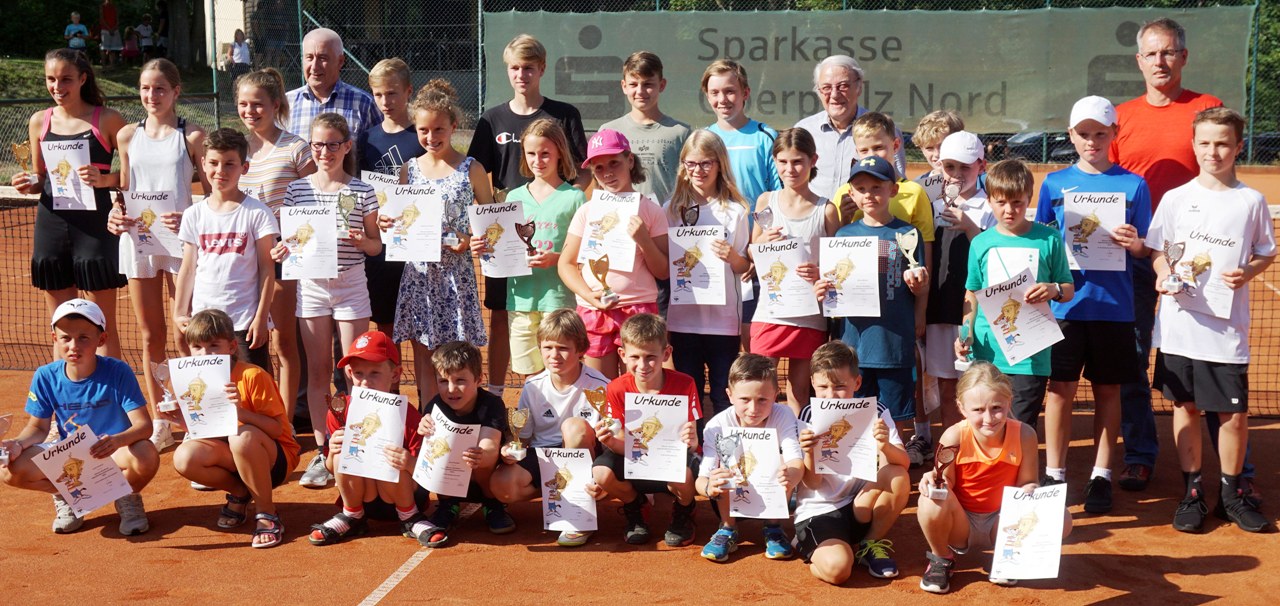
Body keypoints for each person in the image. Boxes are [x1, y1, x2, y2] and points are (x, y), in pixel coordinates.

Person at [1109, 17, 1229, 495]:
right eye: (1151, 54)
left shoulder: (1207, 109)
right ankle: (1140, 455)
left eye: (1169, 52)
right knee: (1135, 357)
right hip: (1135, 256)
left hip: (1195, 259)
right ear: (1139, 61)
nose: (1160, 61)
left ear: (1183, 56)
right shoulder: (1121, 116)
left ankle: (1232, 472)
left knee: (1210, 359)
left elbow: (1223, 176)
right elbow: (1111, 186)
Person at [1149, 107, 1275, 533]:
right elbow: (1158, 252)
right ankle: (1192, 493)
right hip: (1180, 326)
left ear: (1238, 147)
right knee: (1184, 406)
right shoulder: (1175, 199)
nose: (1213, 151)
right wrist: (1165, 274)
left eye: (1222, 143)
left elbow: (1265, 251)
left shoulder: (1251, 201)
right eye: (1204, 142)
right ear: (1194, 145)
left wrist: (1248, 272)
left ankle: (1230, 493)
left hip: (1226, 329)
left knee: (1233, 415)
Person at [1035, 96, 1152, 515]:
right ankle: (1055, 473)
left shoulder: (1134, 186)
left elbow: (1144, 249)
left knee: (1108, 392)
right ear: (1071, 136)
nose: (1092, 141)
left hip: (1114, 308)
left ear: (1114, 135)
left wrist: (1133, 243)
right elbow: (1046, 243)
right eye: (1083, 134)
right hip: (1066, 307)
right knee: (1060, 390)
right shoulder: (1052, 184)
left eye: (1100, 133)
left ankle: (1101, 475)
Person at [469, 34, 591, 398]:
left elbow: (584, 169)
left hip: (555, 228)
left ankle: (557, 399)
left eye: (528, 67)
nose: (521, 74)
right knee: (505, 312)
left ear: (542, 68)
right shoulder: (492, 119)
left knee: (557, 323)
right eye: (514, 68)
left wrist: (564, 199)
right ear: (507, 70)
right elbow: (477, 172)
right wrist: (490, 220)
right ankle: (496, 390)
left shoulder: (564, 114)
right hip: (508, 235)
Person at [275, 113, 381, 489]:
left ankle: (358, 446)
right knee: (318, 371)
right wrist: (282, 250)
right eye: (318, 144)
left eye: (332, 144)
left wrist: (360, 241)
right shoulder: (297, 190)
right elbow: (291, 242)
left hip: (351, 284)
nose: (324, 152)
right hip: (312, 286)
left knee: (356, 372)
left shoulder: (362, 191)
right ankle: (324, 451)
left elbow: (375, 245)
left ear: (346, 147)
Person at [108, 58, 210, 451]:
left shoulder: (192, 135)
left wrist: (190, 215)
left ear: (176, 92)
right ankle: (161, 420)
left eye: (160, 88)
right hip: (139, 242)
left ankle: (197, 414)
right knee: (151, 336)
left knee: (187, 330)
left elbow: (210, 186)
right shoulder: (127, 136)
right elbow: (125, 189)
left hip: (181, 241)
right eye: (146, 88)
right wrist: (116, 215)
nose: (152, 96)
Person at [0, 299, 158, 536]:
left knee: (145, 453)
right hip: (69, 459)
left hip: (113, 452)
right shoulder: (45, 376)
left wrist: (117, 440)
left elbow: (144, 426)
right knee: (9, 470)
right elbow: (38, 428)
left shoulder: (118, 371)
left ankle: (126, 496)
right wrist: (18, 444)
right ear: (55, 339)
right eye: (66, 338)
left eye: (84, 337)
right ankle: (68, 497)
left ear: (101, 340)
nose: (74, 345)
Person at [10, 49, 127, 360]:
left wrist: (104, 178)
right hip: (51, 224)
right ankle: (66, 400)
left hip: (96, 227)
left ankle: (112, 402)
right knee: (62, 323)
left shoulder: (109, 119)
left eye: (66, 79)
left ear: (83, 79)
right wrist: (28, 183)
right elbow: (40, 176)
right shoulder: (39, 122)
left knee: (103, 326)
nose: (57, 86)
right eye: (51, 79)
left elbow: (134, 174)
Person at [916, 362, 1072, 594]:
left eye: (997, 407)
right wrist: (932, 479)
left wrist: (1030, 489)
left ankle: (1007, 559)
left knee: (1064, 518)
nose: (988, 418)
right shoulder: (954, 435)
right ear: (962, 407)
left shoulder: (1025, 434)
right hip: (961, 525)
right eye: (978, 410)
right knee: (929, 500)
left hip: (1002, 523)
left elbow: (1027, 481)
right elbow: (944, 483)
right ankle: (941, 559)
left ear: (1009, 401)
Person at [386, 80, 491, 405]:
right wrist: (387, 222)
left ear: (454, 126)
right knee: (423, 352)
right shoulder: (408, 171)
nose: (431, 138)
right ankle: (429, 416)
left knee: (459, 354)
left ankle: (463, 417)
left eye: (439, 129)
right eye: (423, 130)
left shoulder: (471, 169)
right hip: (419, 276)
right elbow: (398, 224)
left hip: (455, 276)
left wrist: (472, 239)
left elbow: (490, 226)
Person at [815, 155, 928, 442]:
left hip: (894, 343)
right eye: (861, 188)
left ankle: (895, 463)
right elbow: (834, 290)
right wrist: (823, 292)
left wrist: (918, 293)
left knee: (894, 421)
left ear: (893, 190)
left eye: (877, 187)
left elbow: (920, 286)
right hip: (855, 344)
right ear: (851, 193)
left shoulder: (907, 233)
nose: (869, 194)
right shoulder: (843, 235)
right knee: (853, 414)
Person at [956, 159, 1074, 430]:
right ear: (989, 201)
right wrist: (965, 333)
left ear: (1028, 199)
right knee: (986, 427)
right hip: (987, 353)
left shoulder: (1049, 238)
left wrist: (1053, 289)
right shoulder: (981, 243)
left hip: (1031, 356)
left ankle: (1023, 475)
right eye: (1001, 203)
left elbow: (1068, 289)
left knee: (1020, 429)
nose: (1009, 210)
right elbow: (972, 292)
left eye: (1018, 203)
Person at [166, 309, 299, 548]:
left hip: (274, 458)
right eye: (197, 347)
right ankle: (240, 491)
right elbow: (208, 434)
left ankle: (267, 513)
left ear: (231, 347)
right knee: (185, 457)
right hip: (234, 457)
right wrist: (181, 419)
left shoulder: (252, 375)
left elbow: (278, 430)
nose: (205, 354)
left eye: (214, 345)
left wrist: (241, 413)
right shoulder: (195, 381)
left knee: (242, 437)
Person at [235, 67, 315, 425]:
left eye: (258, 105)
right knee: (250, 341)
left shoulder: (296, 148)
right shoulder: (237, 149)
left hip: (284, 259)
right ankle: (258, 415)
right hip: (241, 260)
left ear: (276, 105)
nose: (250, 112)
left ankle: (282, 422)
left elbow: (318, 204)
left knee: (284, 344)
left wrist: (290, 237)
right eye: (243, 104)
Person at [489, 309, 607, 547]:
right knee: (501, 485)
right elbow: (522, 438)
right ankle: (558, 498)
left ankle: (579, 516)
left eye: (563, 348)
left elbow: (608, 439)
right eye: (548, 347)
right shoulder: (533, 386)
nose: (555, 355)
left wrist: (605, 480)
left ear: (580, 349)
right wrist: (511, 451)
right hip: (546, 455)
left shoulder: (601, 385)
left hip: (585, 455)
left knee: (574, 428)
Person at [557, 129, 669, 378]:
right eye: (598, 168)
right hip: (595, 310)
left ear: (630, 161)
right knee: (601, 391)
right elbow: (566, 263)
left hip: (638, 310)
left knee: (639, 387)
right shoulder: (587, 212)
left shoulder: (651, 211)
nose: (607, 173)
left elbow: (663, 270)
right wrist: (589, 295)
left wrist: (644, 241)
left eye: (614, 163)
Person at [795, 341, 910, 583]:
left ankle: (869, 545)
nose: (831, 395)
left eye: (839, 386)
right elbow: (813, 484)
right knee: (839, 570)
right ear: (813, 382)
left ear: (857, 383)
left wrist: (885, 446)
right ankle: (809, 545)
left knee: (897, 474)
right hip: (821, 510)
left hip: (859, 506)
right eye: (823, 386)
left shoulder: (876, 410)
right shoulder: (807, 416)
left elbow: (904, 463)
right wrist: (809, 453)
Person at [915, 131, 996, 466]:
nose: (957, 174)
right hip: (938, 312)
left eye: (966, 166)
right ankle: (950, 459)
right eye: (950, 166)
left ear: (982, 165)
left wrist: (970, 227)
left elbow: (998, 257)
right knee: (947, 389)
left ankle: (979, 456)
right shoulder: (929, 206)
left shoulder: (991, 209)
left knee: (979, 389)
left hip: (975, 316)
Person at [482, 119, 584, 379]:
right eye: (531, 154)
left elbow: (584, 254)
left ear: (559, 152)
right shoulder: (514, 197)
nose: (538, 160)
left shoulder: (574, 197)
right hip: (521, 298)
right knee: (530, 374)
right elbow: (501, 248)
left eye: (545, 153)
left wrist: (556, 259)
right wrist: (485, 247)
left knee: (559, 369)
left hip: (558, 298)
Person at [310, 330, 431, 545]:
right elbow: (331, 467)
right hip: (363, 499)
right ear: (349, 373)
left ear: (395, 375)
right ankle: (352, 516)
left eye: (374, 373)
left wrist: (409, 461)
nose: (365, 381)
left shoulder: (408, 413)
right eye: (359, 373)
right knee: (342, 452)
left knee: (391, 451)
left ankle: (410, 517)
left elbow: (426, 473)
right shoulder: (340, 409)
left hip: (403, 495)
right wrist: (334, 451)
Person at [591, 314, 702, 547]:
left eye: (651, 357)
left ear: (666, 354)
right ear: (622, 355)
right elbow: (623, 443)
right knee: (601, 473)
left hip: (672, 458)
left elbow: (692, 444)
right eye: (635, 357)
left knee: (685, 473)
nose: (643, 366)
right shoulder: (615, 388)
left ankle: (684, 510)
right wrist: (609, 441)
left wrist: (690, 441)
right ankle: (635, 506)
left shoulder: (685, 383)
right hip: (634, 458)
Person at [173, 128, 279, 373]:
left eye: (230, 164)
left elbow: (266, 269)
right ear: (203, 163)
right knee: (209, 393)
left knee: (253, 388)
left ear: (244, 168)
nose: (220, 171)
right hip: (203, 322)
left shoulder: (257, 213)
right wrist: (180, 313)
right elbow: (188, 268)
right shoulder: (194, 214)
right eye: (214, 163)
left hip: (244, 323)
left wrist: (262, 318)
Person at [750, 128, 838, 414]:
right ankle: (764, 444)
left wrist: (819, 272)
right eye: (784, 161)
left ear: (813, 160)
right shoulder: (766, 202)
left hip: (810, 314)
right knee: (759, 382)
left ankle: (799, 448)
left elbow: (836, 266)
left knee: (800, 388)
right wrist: (763, 242)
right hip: (770, 310)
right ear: (775, 161)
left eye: (798, 161)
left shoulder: (826, 210)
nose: (791, 169)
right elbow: (752, 251)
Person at [664, 130, 751, 421]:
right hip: (683, 319)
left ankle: (723, 456)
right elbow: (664, 260)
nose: (698, 171)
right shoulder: (672, 209)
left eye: (706, 163)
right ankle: (695, 455)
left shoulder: (735, 211)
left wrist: (732, 257)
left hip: (723, 323)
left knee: (722, 394)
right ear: (683, 166)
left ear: (719, 165)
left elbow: (744, 267)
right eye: (691, 164)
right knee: (688, 395)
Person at [696, 353, 803, 563]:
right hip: (729, 498)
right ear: (729, 395)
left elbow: (795, 460)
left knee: (783, 464)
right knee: (723, 469)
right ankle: (728, 529)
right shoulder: (716, 426)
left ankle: (773, 527)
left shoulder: (784, 415)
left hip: (772, 493)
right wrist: (710, 487)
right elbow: (702, 479)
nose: (753, 409)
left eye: (762, 399)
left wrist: (791, 473)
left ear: (776, 395)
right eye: (744, 399)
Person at [702, 59, 779, 350]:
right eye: (715, 92)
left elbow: (775, 199)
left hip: (754, 260)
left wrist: (754, 249)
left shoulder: (765, 136)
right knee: (719, 343)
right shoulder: (703, 139)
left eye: (730, 91)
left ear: (745, 92)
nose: (723, 99)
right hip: (714, 257)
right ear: (707, 95)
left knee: (753, 343)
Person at [414, 341, 512, 547]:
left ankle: (492, 504)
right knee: (438, 450)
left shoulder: (492, 404)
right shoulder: (435, 405)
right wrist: (424, 428)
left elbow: (491, 443)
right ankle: (448, 504)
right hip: (450, 480)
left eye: (460, 380)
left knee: (483, 456)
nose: (451, 389)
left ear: (478, 379)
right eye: (443, 381)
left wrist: (482, 454)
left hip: (486, 479)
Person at [358, 59, 424, 339]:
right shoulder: (366, 139)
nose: (385, 101)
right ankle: (390, 384)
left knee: (422, 323)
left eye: (393, 93)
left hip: (418, 242)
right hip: (381, 244)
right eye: (379, 94)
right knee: (386, 323)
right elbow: (359, 191)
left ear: (408, 91)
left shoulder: (423, 136)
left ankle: (426, 385)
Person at [911, 110, 968, 436]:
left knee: (964, 378)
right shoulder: (918, 189)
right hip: (929, 299)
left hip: (965, 298)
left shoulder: (980, 187)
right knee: (928, 374)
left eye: (941, 146)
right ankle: (924, 435)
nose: (934, 155)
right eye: (928, 148)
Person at [795, 55, 907, 200]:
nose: (835, 95)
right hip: (817, 221)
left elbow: (899, 182)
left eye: (843, 86)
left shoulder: (883, 130)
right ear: (819, 92)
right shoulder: (804, 131)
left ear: (859, 87)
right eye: (826, 88)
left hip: (865, 220)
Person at [601, 51, 691, 206]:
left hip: (668, 222)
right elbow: (600, 182)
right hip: (621, 221)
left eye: (648, 84)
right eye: (633, 84)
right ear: (624, 86)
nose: (640, 91)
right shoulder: (608, 131)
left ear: (661, 85)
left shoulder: (681, 132)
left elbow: (691, 182)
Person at [288, 28, 382, 143]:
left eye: (322, 58)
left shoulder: (364, 104)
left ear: (340, 61)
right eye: (309, 58)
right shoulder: (286, 104)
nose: (314, 67)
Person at [99, 0, 122, 66]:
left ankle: (112, 65)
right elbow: (102, 19)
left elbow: (117, 20)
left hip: (115, 30)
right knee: (104, 48)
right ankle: (104, 66)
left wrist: (114, 28)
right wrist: (109, 29)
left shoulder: (114, 6)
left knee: (113, 49)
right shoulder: (102, 6)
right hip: (105, 30)